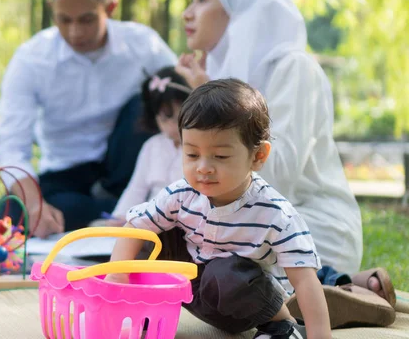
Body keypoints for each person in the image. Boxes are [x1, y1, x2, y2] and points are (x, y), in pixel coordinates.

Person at [173, 0, 396, 325]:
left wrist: (220, 118)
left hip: (305, 227)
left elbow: (277, 176)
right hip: (242, 225)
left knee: (222, 272)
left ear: (241, 8)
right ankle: (332, 289)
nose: (187, 13)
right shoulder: (222, 75)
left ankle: (321, 287)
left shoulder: (295, 68)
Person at [107, 79, 331, 339]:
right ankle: (141, 312)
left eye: (220, 156)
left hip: (238, 302)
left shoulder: (275, 214)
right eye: (191, 154)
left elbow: (304, 280)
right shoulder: (181, 194)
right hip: (189, 287)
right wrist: (116, 277)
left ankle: (282, 325)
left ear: (258, 156)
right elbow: (133, 226)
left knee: (224, 272)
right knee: (147, 234)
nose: (203, 167)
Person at [0, 0, 177, 238]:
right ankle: (125, 218)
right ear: (51, 9)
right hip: (67, 177)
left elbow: (188, 103)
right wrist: (34, 204)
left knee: (147, 99)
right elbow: (12, 147)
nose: (74, 32)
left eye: (87, 19)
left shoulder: (144, 45)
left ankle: (126, 214)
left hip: (128, 172)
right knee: (13, 212)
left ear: (111, 8)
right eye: (63, 19)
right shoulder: (31, 59)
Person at [97, 67, 191, 226]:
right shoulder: (152, 146)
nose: (172, 126)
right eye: (164, 119)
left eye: (178, 118)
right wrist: (120, 216)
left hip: (187, 219)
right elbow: (136, 188)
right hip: (152, 220)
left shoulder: (199, 147)